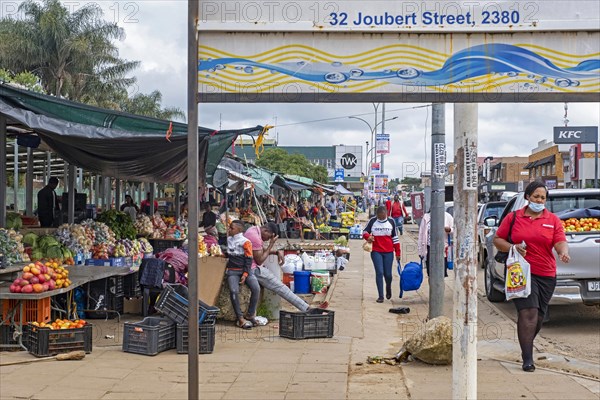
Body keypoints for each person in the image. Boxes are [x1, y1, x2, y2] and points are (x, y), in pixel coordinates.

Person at [493, 181, 570, 372]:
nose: (539, 200)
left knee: (539, 317)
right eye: (536, 196)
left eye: (543, 197)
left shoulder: (552, 220)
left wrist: (563, 252)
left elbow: (560, 241)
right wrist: (513, 247)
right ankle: (527, 358)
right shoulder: (513, 218)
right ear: (527, 197)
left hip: (546, 273)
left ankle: (525, 343)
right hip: (521, 272)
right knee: (529, 313)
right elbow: (497, 240)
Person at [244, 222, 318, 313]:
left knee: (280, 286)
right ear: (266, 230)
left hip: (251, 265)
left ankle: (303, 304)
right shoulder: (255, 237)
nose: (267, 240)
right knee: (280, 287)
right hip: (252, 269)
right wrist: (271, 244)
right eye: (269, 237)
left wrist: (275, 251)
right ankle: (306, 308)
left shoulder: (253, 230)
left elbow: (259, 250)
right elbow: (259, 260)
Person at [225, 220, 261, 329]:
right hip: (232, 270)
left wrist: (245, 274)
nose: (229, 230)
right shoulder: (228, 240)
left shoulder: (246, 242)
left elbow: (249, 260)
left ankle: (250, 315)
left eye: (232, 228)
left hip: (246, 270)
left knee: (256, 288)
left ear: (239, 230)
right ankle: (240, 318)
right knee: (233, 291)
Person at [363, 206, 401, 303]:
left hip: (388, 252)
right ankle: (381, 296)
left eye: (383, 217)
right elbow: (364, 232)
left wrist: (398, 252)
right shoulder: (372, 221)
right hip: (376, 251)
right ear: (377, 215)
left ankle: (388, 286)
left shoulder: (391, 221)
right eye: (379, 217)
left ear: (386, 214)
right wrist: (368, 237)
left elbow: (395, 238)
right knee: (379, 272)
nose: (381, 218)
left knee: (388, 274)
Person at [417, 209, 454, 277]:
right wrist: (420, 250)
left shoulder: (447, 216)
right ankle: (432, 286)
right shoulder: (426, 217)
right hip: (429, 248)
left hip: (442, 249)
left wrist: (449, 230)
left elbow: (455, 228)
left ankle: (440, 286)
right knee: (430, 272)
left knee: (441, 272)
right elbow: (421, 234)